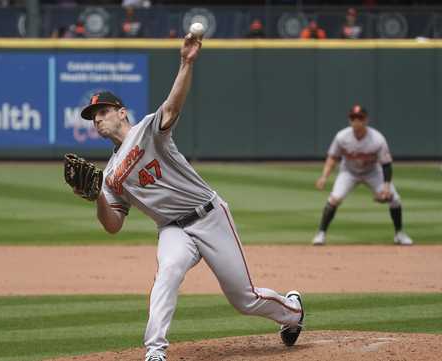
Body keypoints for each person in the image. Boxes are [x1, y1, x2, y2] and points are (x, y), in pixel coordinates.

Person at [78, 33, 304, 361]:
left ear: (121, 112)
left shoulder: (147, 130)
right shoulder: (110, 174)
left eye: (102, 110)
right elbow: (113, 225)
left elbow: (172, 105)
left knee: (244, 299)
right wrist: (96, 197)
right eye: (92, 115)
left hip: (209, 215)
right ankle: (155, 352)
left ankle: (293, 311)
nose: (96, 118)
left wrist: (186, 62)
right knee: (167, 273)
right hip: (172, 229)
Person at [312, 105, 414, 246]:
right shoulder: (341, 137)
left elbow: (386, 164)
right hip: (349, 172)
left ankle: (399, 234)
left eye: (360, 118)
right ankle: (321, 233)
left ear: (366, 120)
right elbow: (333, 157)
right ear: (349, 120)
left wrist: (386, 186)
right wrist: (324, 176)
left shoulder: (377, 139)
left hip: (373, 172)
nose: (356, 121)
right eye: (353, 118)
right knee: (334, 199)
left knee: (394, 199)